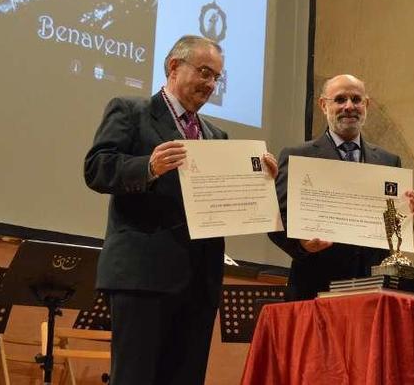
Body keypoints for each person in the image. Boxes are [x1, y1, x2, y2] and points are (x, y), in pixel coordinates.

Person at [84, 35, 276, 384]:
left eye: (216, 77)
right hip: (143, 276)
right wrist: (148, 167)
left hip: (199, 281)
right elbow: (96, 168)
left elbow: (227, 204)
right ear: (174, 66)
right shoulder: (130, 111)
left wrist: (260, 182)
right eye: (204, 72)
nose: (211, 84)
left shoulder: (217, 136)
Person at [268, 74, 414, 301]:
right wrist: (301, 245)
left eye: (356, 100)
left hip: (371, 289)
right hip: (315, 287)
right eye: (340, 99)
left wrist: (406, 217)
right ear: (323, 105)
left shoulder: (389, 161)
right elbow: (276, 219)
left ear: (366, 105)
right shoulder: (298, 156)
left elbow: (392, 231)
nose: (349, 106)